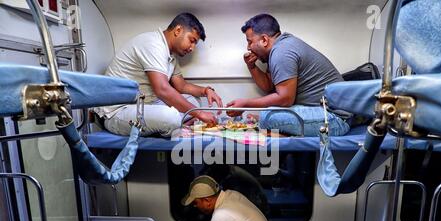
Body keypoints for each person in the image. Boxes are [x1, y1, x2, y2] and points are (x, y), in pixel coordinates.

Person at [93, 13, 222, 137]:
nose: (192, 48)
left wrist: (206, 90)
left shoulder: (170, 56)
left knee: (193, 100)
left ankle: (172, 126)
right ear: (178, 30)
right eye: (192, 40)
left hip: (144, 105)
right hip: (118, 112)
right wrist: (199, 114)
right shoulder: (153, 44)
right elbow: (162, 90)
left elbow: (181, 86)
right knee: (170, 117)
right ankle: (172, 126)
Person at [226, 13, 350, 137]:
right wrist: (252, 67)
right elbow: (269, 86)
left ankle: (283, 133)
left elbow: (285, 99)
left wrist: (246, 104)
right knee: (268, 116)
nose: (248, 48)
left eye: (250, 42)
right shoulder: (280, 47)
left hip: (335, 119)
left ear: (264, 40)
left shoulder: (282, 52)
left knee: (266, 117)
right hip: (327, 113)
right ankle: (283, 131)